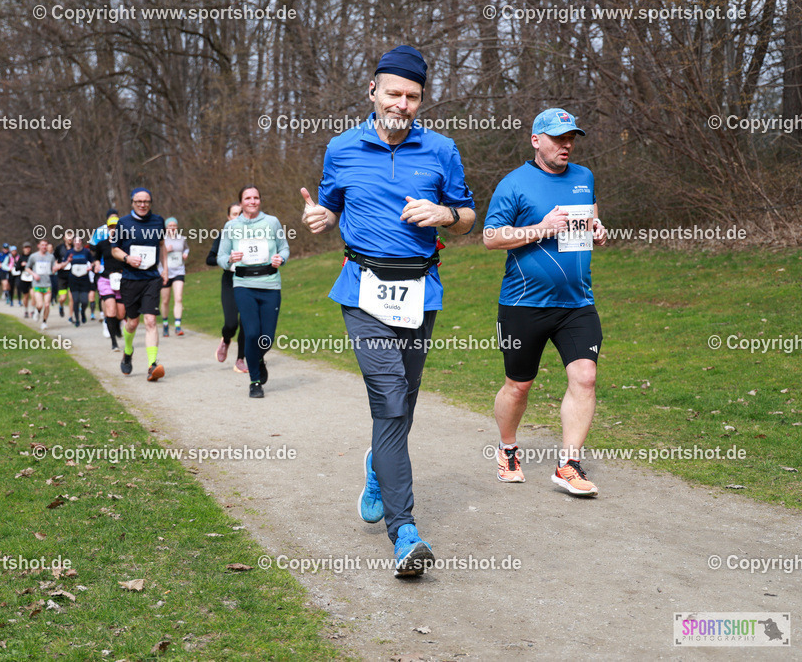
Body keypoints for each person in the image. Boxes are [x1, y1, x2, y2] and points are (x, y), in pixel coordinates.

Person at [301, 45, 476, 577]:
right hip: (363, 290)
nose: (402, 104)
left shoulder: (442, 149)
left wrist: (445, 214)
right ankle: (405, 533)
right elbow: (330, 206)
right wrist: (320, 218)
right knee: (392, 398)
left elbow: (469, 216)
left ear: (422, 100)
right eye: (393, 93)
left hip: (420, 290)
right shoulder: (341, 148)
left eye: (412, 96)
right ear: (372, 91)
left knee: (404, 403)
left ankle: (379, 466)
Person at [483, 107, 607, 497]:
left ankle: (569, 465)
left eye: (570, 138)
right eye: (557, 138)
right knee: (518, 386)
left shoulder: (584, 177)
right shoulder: (514, 184)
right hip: (524, 304)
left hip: (577, 302)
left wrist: (598, 230)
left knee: (585, 377)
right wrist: (541, 228)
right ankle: (507, 449)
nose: (566, 145)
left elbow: (591, 219)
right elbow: (490, 237)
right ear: (536, 141)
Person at [218, 186, 290, 398]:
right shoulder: (231, 226)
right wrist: (230, 259)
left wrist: (281, 259)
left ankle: (258, 358)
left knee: (266, 338)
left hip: (270, 285)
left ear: (260, 200)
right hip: (244, 284)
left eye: (256, 197)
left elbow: (284, 248)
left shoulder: (272, 222)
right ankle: (255, 382)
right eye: (247, 198)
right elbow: (220, 257)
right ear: (241, 202)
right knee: (251, 333)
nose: (252, 201)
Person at [112, 188, 167, 381]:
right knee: (133, 322)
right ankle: (128, 351)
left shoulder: (158, 221)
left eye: (146, 201)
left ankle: (152, 365)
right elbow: (114, 250)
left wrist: (165, 269)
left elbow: (162, 245)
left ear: (150, 203)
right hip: (130, 279)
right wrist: (127, 258)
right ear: (132, 203)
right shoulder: (123, 223)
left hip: (151, 278)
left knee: (150, 320)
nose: (143, 205)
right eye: (139, 202)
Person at [207, 203, 247, 373]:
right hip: (230, 281)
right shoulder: (224, 235)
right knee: (231, 323)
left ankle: (240, 359)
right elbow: (209, 259)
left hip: (249, 280)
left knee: (246, 322)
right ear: (229, 217)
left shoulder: (254, 233)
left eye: (241, 213)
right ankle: (226, 339)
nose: (238, 217)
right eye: (234, 214)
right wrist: (226, 259)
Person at [94, 215, 127, 350]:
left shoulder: (125, 244)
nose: (113, 230)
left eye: (116, 227)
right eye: (111, 227)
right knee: (111, 310)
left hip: (121, 280)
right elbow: (96, 258)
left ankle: (117, 325)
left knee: (121, 314)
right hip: (106, 280)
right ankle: (114, 342)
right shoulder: (102, 244)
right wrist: (97, 264)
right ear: (108, 229)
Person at [160, 216, 188, 337]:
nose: (172, 228)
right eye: (170, 226)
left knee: (179, 298)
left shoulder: (182, 238)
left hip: (179, 271)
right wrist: (165, 250)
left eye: (174, 226)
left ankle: (177, 325)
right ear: (166, 228)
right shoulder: (162, 239)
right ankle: (165, 324)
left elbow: (186, 248)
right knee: (165, 300)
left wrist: (185, 254)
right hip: (165, 272)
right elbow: (157, 254)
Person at [27, 239, 62, 330]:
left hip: (47, 284)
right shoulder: (33, 256)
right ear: (38, 246)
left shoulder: (51, 257)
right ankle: (37, 311)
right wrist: (34, 274)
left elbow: (52, 269)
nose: (44, 247)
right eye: (42, 245)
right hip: (37, 284)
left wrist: (55, 269)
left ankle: (44, 322)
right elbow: (27, 268)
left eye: (46, 245)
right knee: (40, 305)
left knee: (47, 305)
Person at [65, 237, 95, 326]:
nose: (77, 243)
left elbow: (92, 262)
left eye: (79, 241)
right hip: (73, 279)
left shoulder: (86, 252)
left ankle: (83, 312)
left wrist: (91, 266)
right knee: (75, 300)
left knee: (85, 301)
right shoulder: (69, 252)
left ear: (81, 242)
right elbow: (64, 264)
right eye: (76, 241)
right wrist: (67, 261)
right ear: (73, 243)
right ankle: (77, 319)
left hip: (84, 280)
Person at [55, 234, 74, 321]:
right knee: (63, 298)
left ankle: (70, 316)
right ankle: (61, 304)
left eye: (71, 237)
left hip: (73, 276)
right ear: (64, 238)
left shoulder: (75, 247)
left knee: (72, 298)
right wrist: (57, 265)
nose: (70, 238)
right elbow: (54, 259)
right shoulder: (59, 248)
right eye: (68, 237)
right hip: (62, 276)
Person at [14, 243, 33, 314]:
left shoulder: (32, 257)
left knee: (33, 295)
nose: (27, 249)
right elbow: (16, 268)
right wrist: (21, 265)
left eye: (28, 247)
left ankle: (33, 310)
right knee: (26, 296)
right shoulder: (21, 258)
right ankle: (26, 310)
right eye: (26, 247)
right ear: (23, 249)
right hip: (24, 278)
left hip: (32, 278)